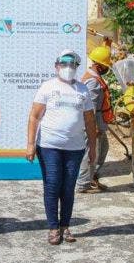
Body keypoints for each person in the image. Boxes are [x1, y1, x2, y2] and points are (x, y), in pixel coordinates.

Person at [26, 50, 97, 245]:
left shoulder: (83, 90)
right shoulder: (47, 87)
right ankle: (52, 228)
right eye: (64, 64)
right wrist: (31, 144)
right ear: (56, 66)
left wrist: (93, 146)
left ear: (76, 67)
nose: (68, 68)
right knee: (53, 185)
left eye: (72, 64)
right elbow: (34, 116)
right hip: (49, 146)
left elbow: (90, 121)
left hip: (75, 148)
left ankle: (65, 226)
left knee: (68, 188)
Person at [76, 45, 114, 194]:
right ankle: (83, 184)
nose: (107, 68)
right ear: (98, 65)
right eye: (105, 65)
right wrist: (94, 127)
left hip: (99, 122)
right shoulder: (92, 81)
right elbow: (90, 105)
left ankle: (93, 178)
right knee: (91, 152)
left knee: (102, 149)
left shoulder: (94, 77)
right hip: (94, 123)